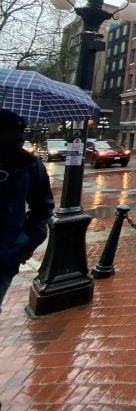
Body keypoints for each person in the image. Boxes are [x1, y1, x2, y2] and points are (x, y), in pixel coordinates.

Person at [0, 110, 54, 309]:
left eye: (21, 132)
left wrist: (25, 242)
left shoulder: (28, 164)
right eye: (13, 132)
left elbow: (43, 207)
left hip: (4, 252)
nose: (20, 138)